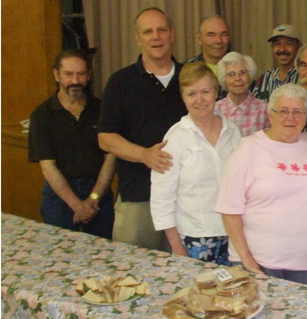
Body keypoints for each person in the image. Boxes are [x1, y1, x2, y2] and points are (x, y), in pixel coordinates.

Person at [216, 84, 307, 286]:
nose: (290, 118)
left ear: (306, 116)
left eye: (297, 112)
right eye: (283, 111)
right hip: (259, 262)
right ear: (270, 114)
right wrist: (245, 257)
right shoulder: (248, 148)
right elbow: (229, 209)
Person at [97, 7, 187, 250]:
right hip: (138, 198)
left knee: (184, 277)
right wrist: (144, 155)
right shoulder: (120, 82)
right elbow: (105, 138)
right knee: (134, 275)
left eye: (161, 30)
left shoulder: (190, 79)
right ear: (138, 39)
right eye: (148, 32)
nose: (155, 37)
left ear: (172, 34)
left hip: (186, 200)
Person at [150, 62, 241, 264]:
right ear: (182, 98)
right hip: (192, 240)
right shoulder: (175, 139)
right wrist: (178, 249)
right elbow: (161, 199)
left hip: (234, 235)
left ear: (216, 92)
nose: (200, 100)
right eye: (191, 94)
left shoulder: (234, 132)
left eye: (205, 91)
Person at [28, 49, 115, 239]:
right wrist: (77, 205)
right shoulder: (41, 115)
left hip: (99, 194)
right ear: (56, 75)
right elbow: (48, 167)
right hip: (59, 198)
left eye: (81, 74)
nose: (75, 80)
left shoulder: (103, 110)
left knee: (103, 256)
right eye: (68, 74)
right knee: (59, 257)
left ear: (89, 75)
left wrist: (93, 200)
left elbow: (111, 157)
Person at [215, 52, 269, 136]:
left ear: (250, 75)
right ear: (224, 79)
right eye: (231, 74)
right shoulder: (215, 110)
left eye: (242, 72)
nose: (237, 78)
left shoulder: (265, 110)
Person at [252, 24, 301, 101]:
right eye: (277, 44)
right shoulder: (264, 79)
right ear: (272, 47)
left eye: (289, 44)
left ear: (298, 47)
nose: (282, 49)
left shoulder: (304, 78)